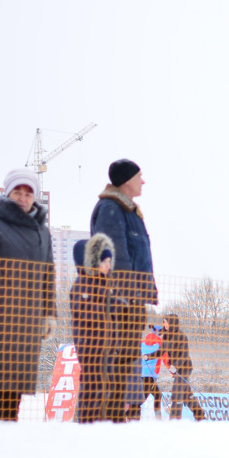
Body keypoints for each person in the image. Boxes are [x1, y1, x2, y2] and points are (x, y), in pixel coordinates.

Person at [0, 169, 57, 421]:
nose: (22, 197)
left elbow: (48, 273)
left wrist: (49, 313)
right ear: (7, 194)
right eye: (17, 192)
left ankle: (9, 425)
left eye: (28, 193)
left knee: (16, 378)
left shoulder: (42, 232)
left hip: (28, 318)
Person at [90, 158, 157, 422]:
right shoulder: (110, 208)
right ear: (127, 180)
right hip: (119, 298)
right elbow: (114, 253)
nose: (143, 181)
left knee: (127, 358)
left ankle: (119, 416)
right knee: (116, 355)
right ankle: (108, 415)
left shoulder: (129, 211)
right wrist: (124, 293)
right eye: (139, 176)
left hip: (133, 298)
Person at [70, 234, 115, 423]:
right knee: (92, 384)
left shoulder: (103, 285)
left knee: (105, 385)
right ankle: (87, 422)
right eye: (104, 262)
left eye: (109, 262)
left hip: (104, 345)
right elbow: (89, 313)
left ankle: (99, 421)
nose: (108, 266)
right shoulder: (82, 285)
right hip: (89, 345)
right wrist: (110, 306)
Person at [161, 313, 204, 421]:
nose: (164, 324)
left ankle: (175, 420)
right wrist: (148, 356)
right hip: (176, 370)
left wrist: (175, 366)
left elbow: (185, 354)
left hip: (184, 368)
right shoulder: (165, 338)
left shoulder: (181, 336)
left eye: (166, 322)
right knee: (186, 395)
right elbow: (160, 352)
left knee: (176, 392)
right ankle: (200, 416)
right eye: (164, 322)